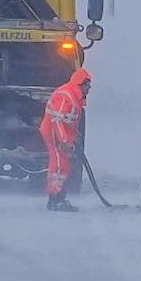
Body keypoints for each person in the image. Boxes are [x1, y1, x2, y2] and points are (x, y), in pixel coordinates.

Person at [39, 66, 92, 212]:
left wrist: (74, 137)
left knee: (64, 166)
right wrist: (64, 140)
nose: (89, 89)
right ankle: (55, 199)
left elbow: (70, 121)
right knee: (58, 166)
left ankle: (59, 198)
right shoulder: (66, 96)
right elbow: (57, 120)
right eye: (88, 86)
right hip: (54, 134)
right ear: (81, 84)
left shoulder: (75, 97)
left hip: (62, 135)